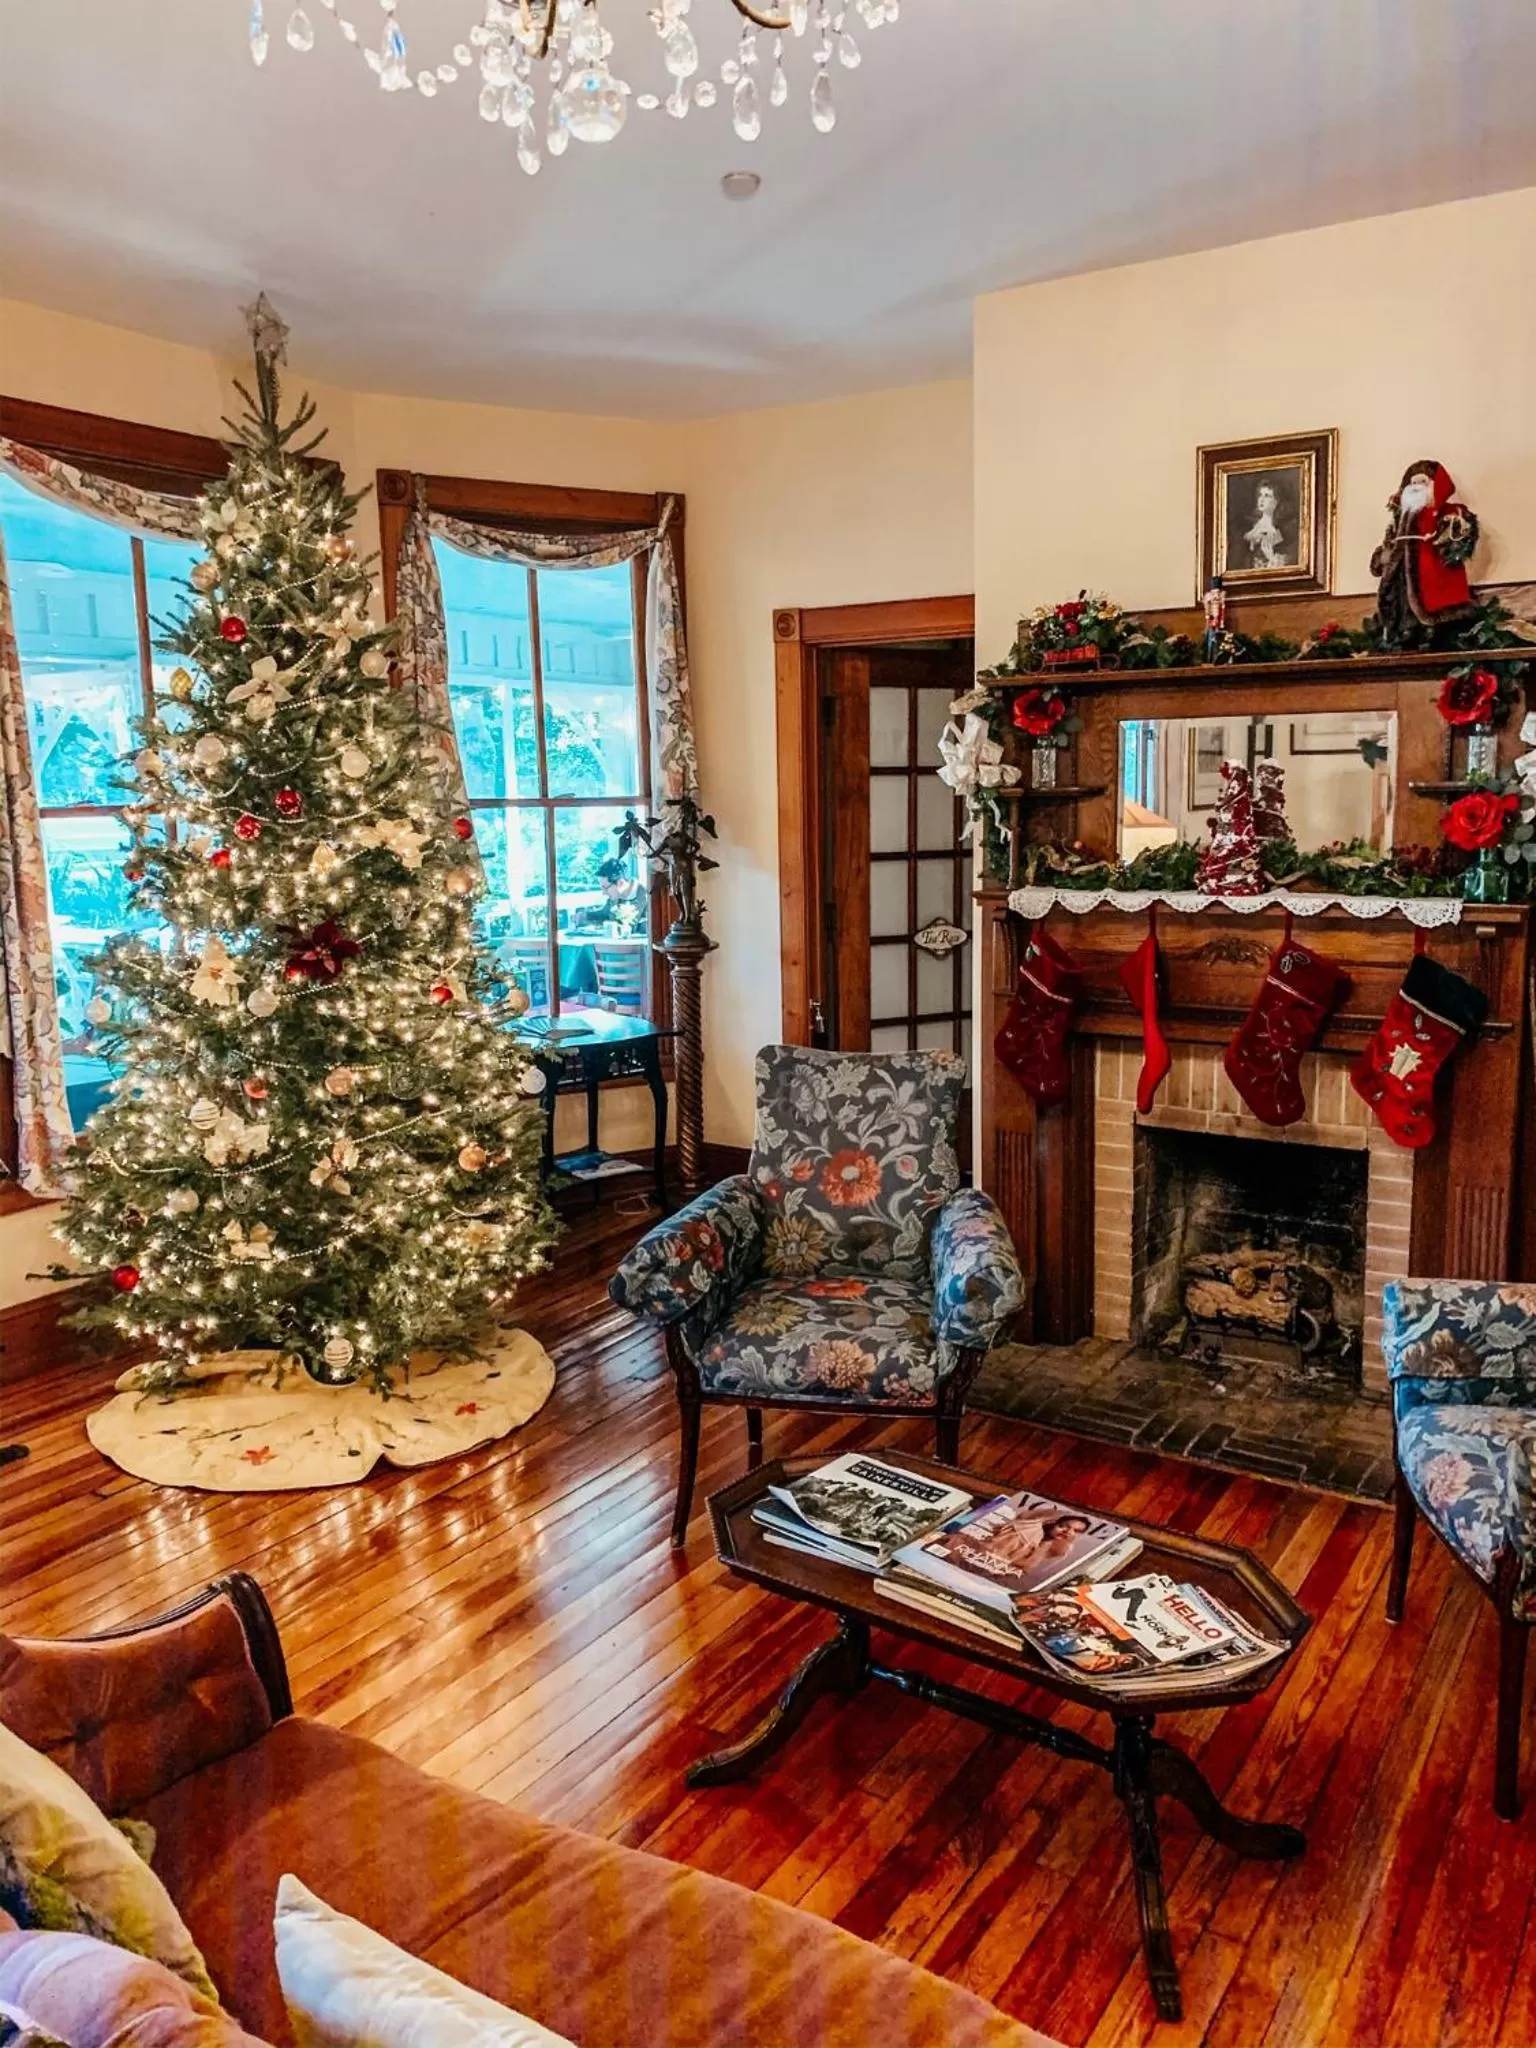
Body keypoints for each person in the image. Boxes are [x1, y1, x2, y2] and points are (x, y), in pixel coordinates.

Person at [1370, 458, 1479, 647]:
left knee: (1434, 609)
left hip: (1435, 580)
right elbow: (1387, 547)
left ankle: (1437, 632)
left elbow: (1460, 544)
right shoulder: (1400, 521)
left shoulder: (1452, 513)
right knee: (1405, 606)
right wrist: (1384, 557)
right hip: (1403, 581)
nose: (1416, 487)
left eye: (1423, 483)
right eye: (1412, 483)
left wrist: (1447, 537)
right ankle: (1405, 630)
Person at [1243, 481, 1288, 569]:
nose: (1261, 499)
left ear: (1276, 502)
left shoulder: (1279, 533)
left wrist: (1270, 556)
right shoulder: (1251, 526)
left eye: (1267, 496)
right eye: (1260, 495)